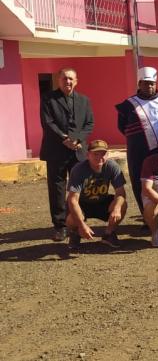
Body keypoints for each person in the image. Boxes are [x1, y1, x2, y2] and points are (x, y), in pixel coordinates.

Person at [41, 67, 95, 241]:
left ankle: (77, 221)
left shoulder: (84, 100)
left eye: (71, 79)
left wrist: (77, 139)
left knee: (79, 187)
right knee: (57, 188)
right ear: (59, 80)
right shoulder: (49, 99)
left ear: (76, 81)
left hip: (77, 151)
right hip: (56, 149)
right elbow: (47, 122)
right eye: (65, 78)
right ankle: (60, 226)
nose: (68, 82)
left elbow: (89, 123)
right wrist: (64, 138)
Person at [115, 66, 158, 215]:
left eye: (151, 83)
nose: (148, 86)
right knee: (140, 182)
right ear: (139, 84)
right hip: (138, 151)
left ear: (156, 84)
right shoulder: (128, 105)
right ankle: (148, 216)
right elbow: (122, 127)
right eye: (145, 83)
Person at [65, 140, 126, 250]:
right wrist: (81, 225)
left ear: (107, 155)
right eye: (95, 154)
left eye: (103, 154)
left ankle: (109, 233)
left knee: (122, 204)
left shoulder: (112, 166)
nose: (99, 157)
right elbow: (73, 200)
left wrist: (117, 208)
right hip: (82, 203)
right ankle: (75, 234)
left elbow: (121, 192)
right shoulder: (78, 169)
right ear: (88, 155)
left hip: (101, 201)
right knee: (72, 217)